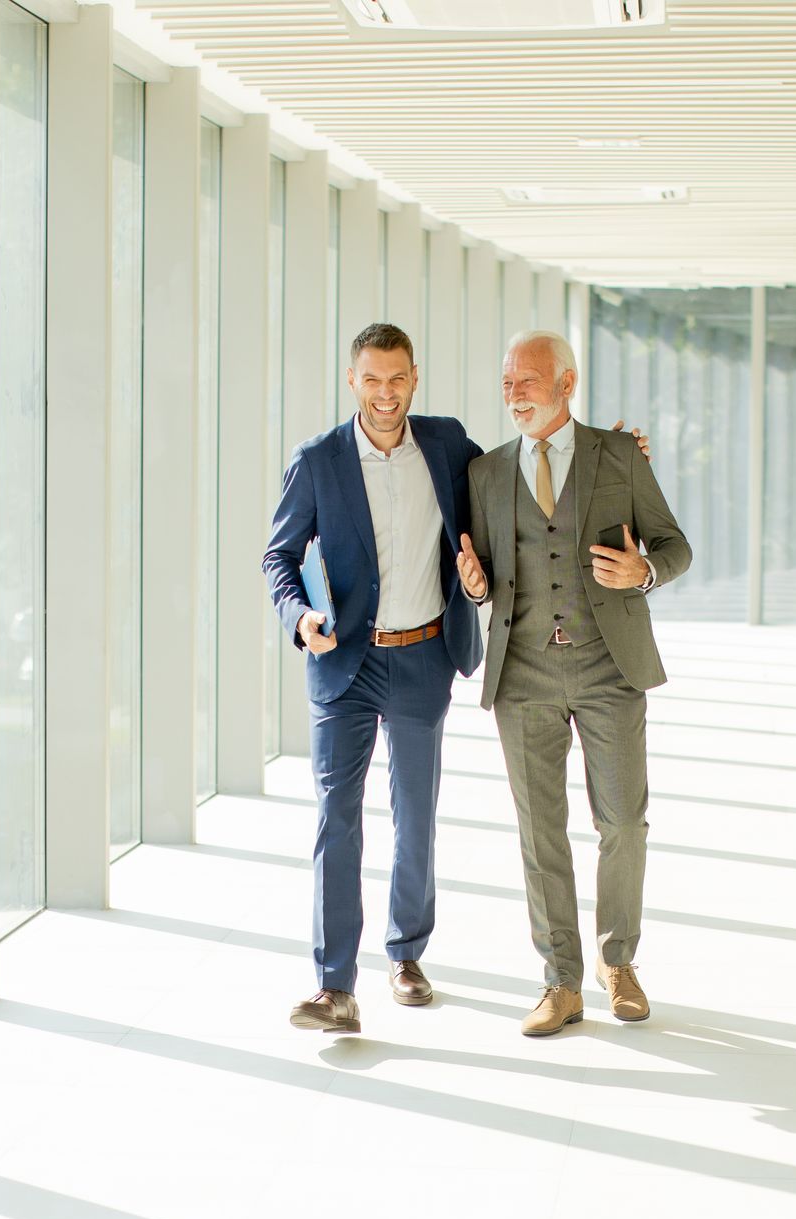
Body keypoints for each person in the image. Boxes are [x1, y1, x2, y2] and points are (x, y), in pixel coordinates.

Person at [263, 322, 645, 1034]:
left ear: (415, 378)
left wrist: (609, 460)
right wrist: (298, 618)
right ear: (353, 381)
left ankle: (406, 955)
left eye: (397, 379)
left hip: (421, 658)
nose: (385, 394)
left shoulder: (446, 447)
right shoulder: (317, 461)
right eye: (372, 380)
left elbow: (526, 474)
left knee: (415, 815)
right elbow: (279, 557)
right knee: (335, 817)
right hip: (343, 663)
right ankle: (333, 986)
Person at [455, 330, 691, 1036]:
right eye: (507, 382)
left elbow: (674, 544)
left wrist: (643, 572)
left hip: (607, 665)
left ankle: (618, 962)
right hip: (522, 670)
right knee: (540, 831)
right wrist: (473, 589)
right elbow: (485, 569)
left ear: (568, 383)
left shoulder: (618, 456)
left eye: (527, 380)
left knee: (622, 820)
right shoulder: (485, 474)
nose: (514, 393)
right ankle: (560, 980)